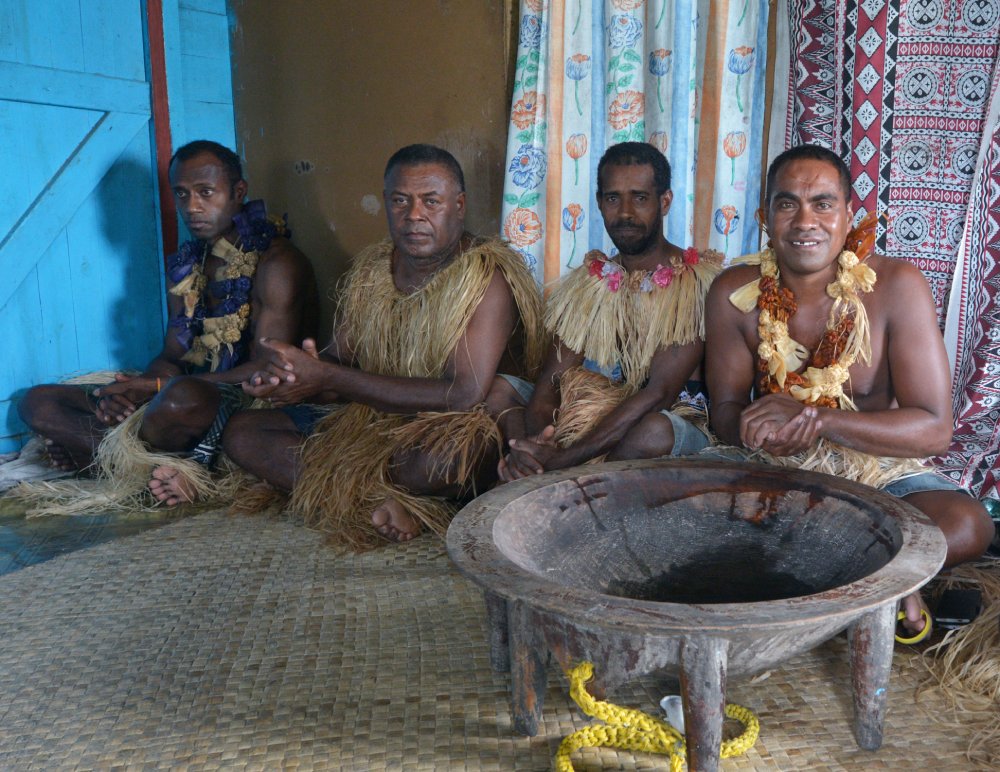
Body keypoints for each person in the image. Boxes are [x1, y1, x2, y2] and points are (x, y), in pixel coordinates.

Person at [704, 143, 994, 637]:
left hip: (878, 470)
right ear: (764, 216)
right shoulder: (735, 292)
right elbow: (725, 413)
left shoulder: (896, 284)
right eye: (787, 203)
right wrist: (755, 432)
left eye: (822, 202)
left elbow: (933, 430)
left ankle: (834, 569)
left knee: (968, 524)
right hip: (776, 470)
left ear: (848, 215)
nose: (805, 220)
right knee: (685, 508)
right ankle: (880, 574)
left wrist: (820, 422)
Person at [222, 144, 544, 550]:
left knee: (450, 459)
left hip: (446, 429)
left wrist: (329, 375)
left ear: (458, 206)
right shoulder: (373, 268)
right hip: (370, 424)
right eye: (400, 201)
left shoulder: (485, 277)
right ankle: (383, 501)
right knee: (243, 433)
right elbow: (339, 360)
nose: (414, 215)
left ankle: (372, 496)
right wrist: (295, 377)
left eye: (431, 201)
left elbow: (463, 394)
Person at [16, 140, 318, 508]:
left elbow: (266, 370)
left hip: (242, 405)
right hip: (175, 394)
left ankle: (99, 457)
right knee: (39, 402)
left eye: (206, 193)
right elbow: (172, 353)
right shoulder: (189, 262)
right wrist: (129, 394)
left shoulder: (278, 264)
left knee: (181, 399)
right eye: (182, 194)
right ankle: (147, 469)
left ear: (239, 192)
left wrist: (157, 387)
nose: (192, 207)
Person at [498, 142, 721, 481]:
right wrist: (538, 444)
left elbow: (657, 394)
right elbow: (550, 384)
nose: (626, 212)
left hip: (673, 423)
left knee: (652, 431)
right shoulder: (590, 284)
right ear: (600, 203)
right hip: (592, 421)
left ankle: (580, 489)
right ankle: (531, 467)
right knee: (502, 389)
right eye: (614, 198)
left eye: (640, 198)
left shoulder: (693, 283)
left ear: (665, 202)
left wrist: (563, 459)